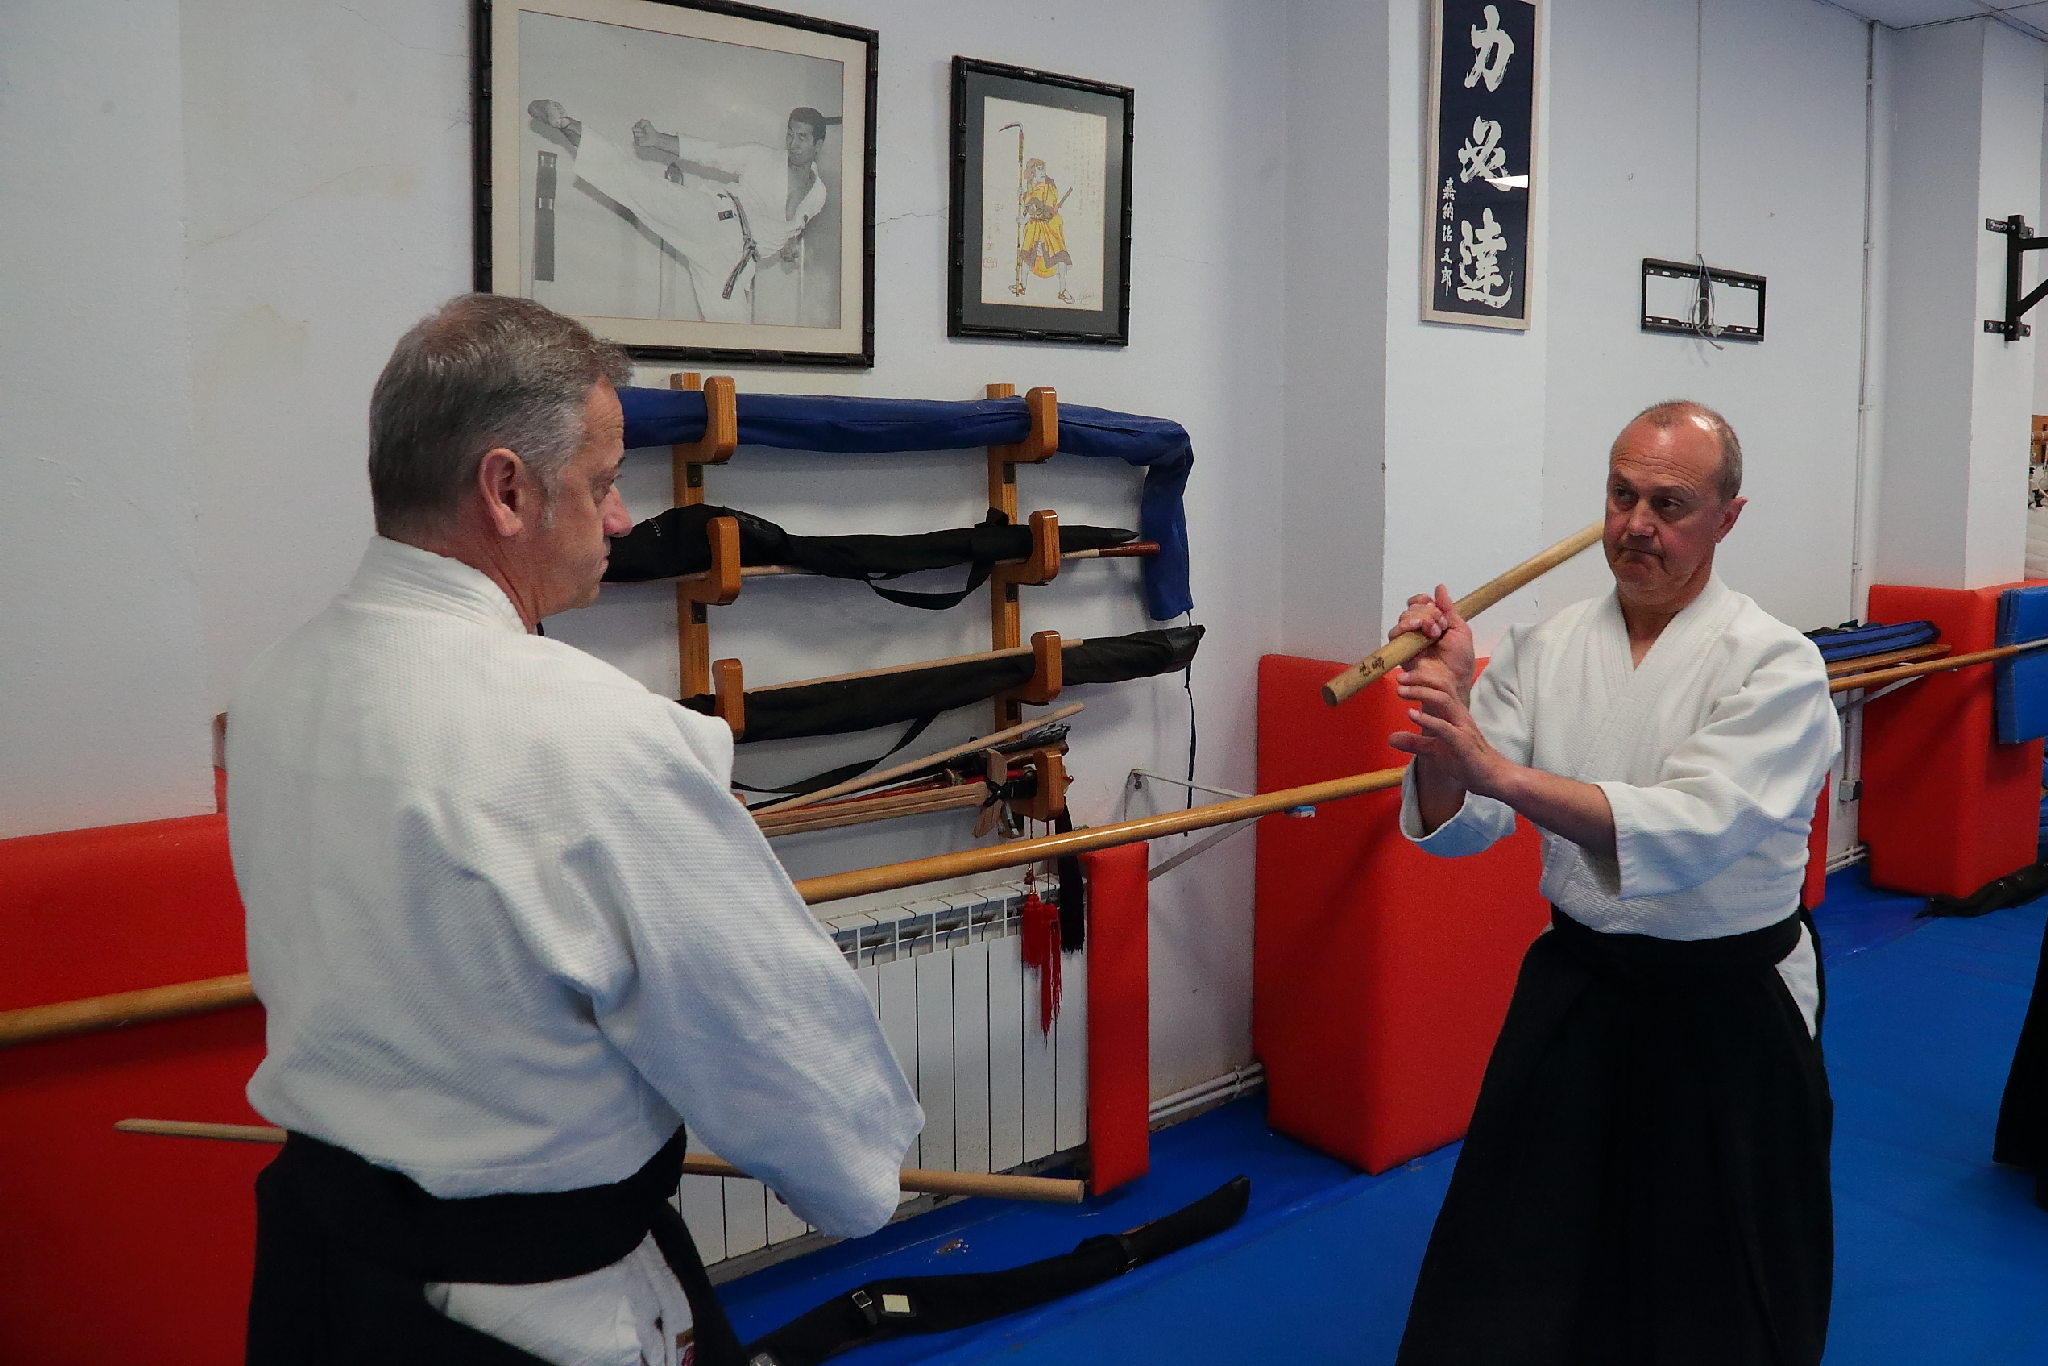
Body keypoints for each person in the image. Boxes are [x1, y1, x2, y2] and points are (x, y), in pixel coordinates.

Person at [228, 293, 920, 1366]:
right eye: (600, 482)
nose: (620, 517)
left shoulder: (270, 690)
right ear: (506, 489)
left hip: (323, 1283)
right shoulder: (597, 739)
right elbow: (768, 1041)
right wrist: (856, 1176)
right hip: (538, 1316)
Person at [1385, 400, 1840, 1365]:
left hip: (1731, 1007)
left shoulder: (1777, 666)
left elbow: (1697, 827)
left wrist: (1496, 767)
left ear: (1728, 516)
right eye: (1622, 495)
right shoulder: (1549, 649)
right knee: (1519, 1257)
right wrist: (1448, 717)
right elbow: (1463, 826)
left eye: (1670, 503)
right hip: (1581, 988)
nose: (1638, 524)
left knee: (1713, 1286)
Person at [528, 99, 827, 325]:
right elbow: (710, 152)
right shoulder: (762, 158)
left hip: (731, 270)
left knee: (738, 341)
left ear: (818, 145)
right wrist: (657, 140)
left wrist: (790, 242)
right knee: (637, 186)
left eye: (802, 138)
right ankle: (564, 123)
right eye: (790, 135)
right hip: (717, 221)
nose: (793, 144)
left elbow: (794, 223)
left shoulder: (819, 196)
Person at [1015, 158, 1073, 304]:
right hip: (1035, 228)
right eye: (1039, 168)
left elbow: (1035, 205)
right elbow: (1029, 206)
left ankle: (1063, 291)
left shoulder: (1046, 185)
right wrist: (1022, 198)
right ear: (1032, 171)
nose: (1042, 171)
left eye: (1042, 168)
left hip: (1049, 227)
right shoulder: (1031, 185)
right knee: (1027, 257)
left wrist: (1025, 217)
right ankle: (1022, 285)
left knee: (1060, 258)